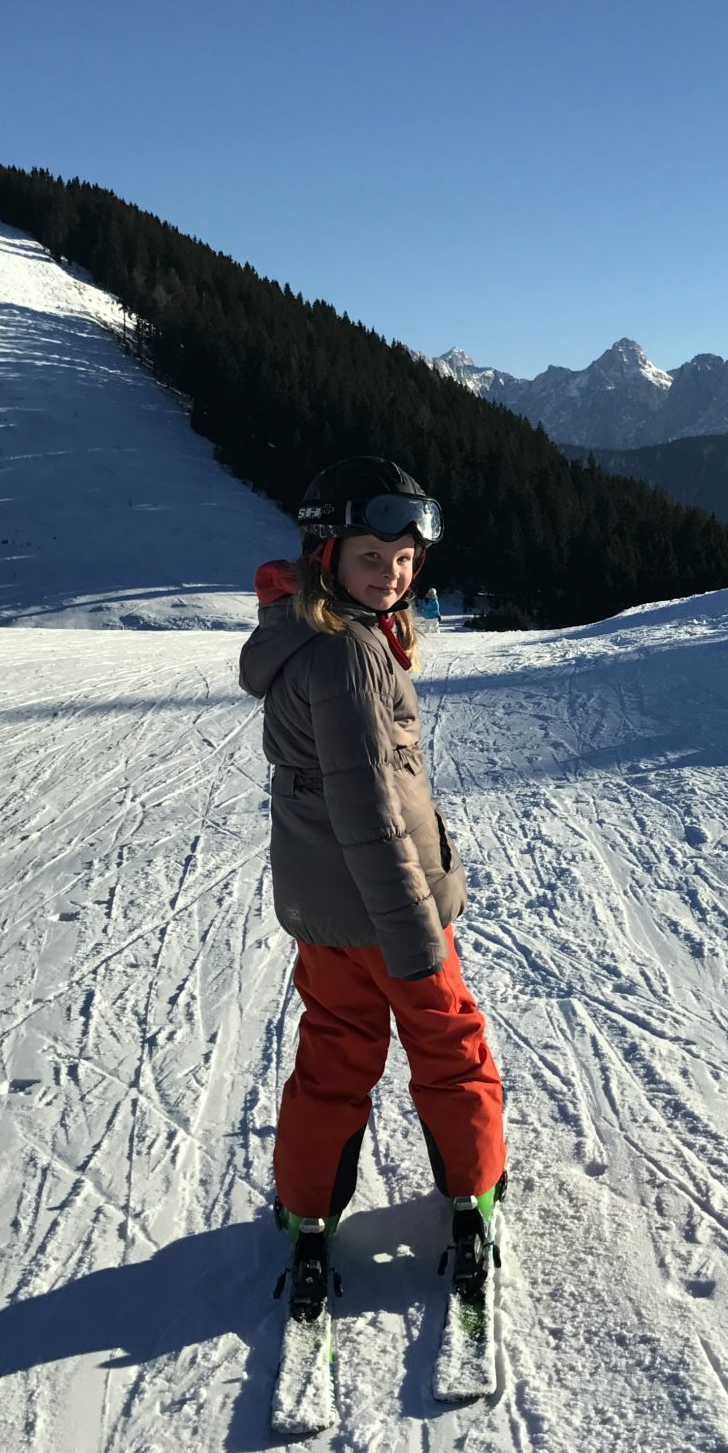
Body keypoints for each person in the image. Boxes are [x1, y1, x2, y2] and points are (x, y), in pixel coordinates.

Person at [239, 456, 506, 1318]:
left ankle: (308, 1208)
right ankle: (472, 1194)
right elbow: (369, 817)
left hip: (326, 917)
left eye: (404, 561)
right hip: (392, 912)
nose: (392, 576)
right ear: (326, 553)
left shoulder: (304, 637)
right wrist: (416, 932)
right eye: (371, 558)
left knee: (334, 1056)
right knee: (448, 1045)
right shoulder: (351, 658)